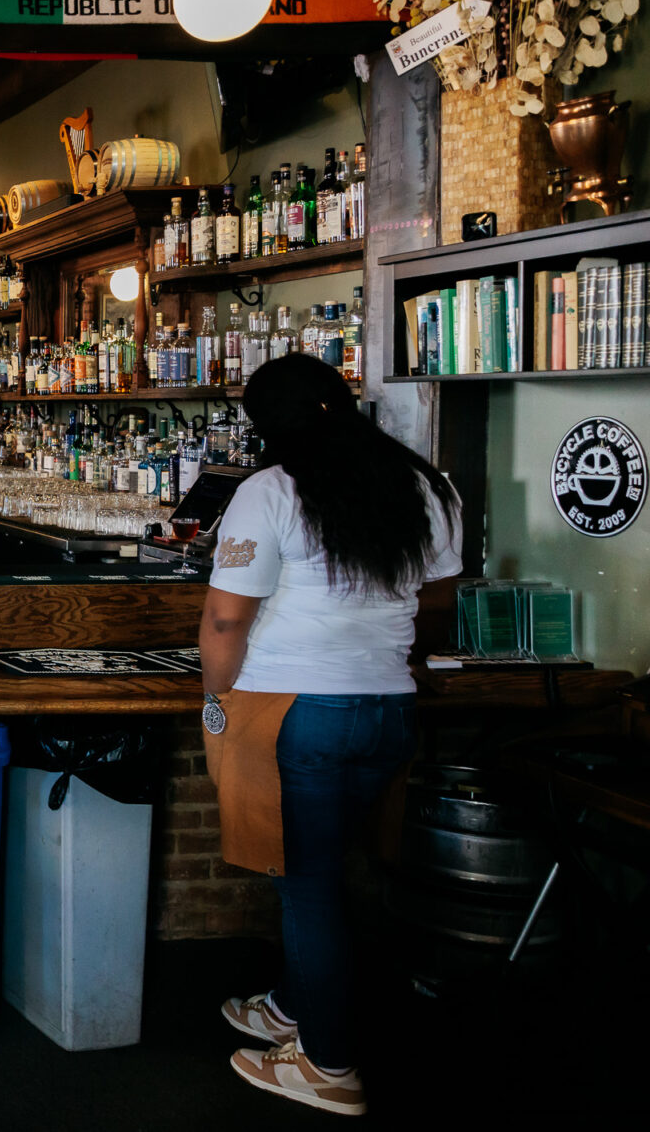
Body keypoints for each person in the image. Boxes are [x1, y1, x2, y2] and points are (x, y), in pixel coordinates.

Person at [200, 354, 462, 1117]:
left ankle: (327, 1062)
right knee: (324, 871)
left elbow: (224, 619)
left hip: (295, 712)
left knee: (306, 884)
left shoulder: (270, 491)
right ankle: (290, 1006)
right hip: (388, 713)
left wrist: (216, 699)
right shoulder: (424, 484)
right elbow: (437, 606)